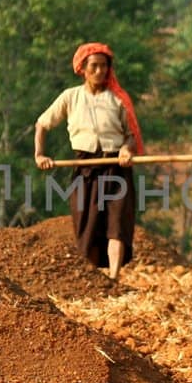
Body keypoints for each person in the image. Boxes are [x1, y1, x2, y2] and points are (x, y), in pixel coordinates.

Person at [34, 42, 145, 280]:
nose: (100, 71)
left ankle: (114, 278)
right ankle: (92, 280)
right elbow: (42, 124)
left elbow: (131, 135)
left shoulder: (118, 100)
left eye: (104, 66)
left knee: (117, 224)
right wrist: (40, 155)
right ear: (82, 69)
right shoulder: (70, 97)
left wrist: (126, 149)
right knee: (87, 225)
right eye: (94, 66)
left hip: (116, 167)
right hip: (85, 169)